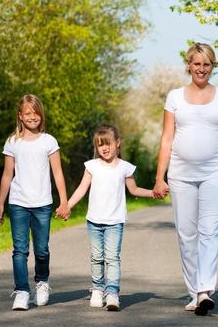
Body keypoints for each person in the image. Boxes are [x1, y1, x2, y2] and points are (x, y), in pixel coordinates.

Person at [152, 42, 218, 316]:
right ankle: (195, 290)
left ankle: (205, 290)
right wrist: (160, 178)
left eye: (207, 64)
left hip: (215, 173)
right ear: (188, 65)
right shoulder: (174, 97)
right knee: (186, 234)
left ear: (212, 66)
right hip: (181, 174)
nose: (201, 69)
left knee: (209, 231)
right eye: (197, 64)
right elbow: (167, 138)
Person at [65, 125, 154, 311]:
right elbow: (82, 188)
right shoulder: (92, 166)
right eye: (100, 145)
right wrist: (67, 205)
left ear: (118, 143)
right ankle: (97, 289)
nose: (104, 148)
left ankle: (112, 292)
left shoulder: (125, 167)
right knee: (97, 257)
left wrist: (153, 193)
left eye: (108, 144)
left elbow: (134, 190)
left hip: (115, 222)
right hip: (94, 221)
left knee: (112, 258)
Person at [0, 94, 70, 311]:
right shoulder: (12, 142)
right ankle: (21, 291)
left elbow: (57, 172)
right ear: (20, 116)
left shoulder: (49, 141)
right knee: (20, 250)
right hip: (18, 203)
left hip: (43, 204)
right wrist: (1, 203)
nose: (32, 116)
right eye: (28, 113)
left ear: (41, 114)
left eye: (36, 112)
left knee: (41, 250)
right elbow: (7, 175)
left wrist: (63, 201)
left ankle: (42, 282)